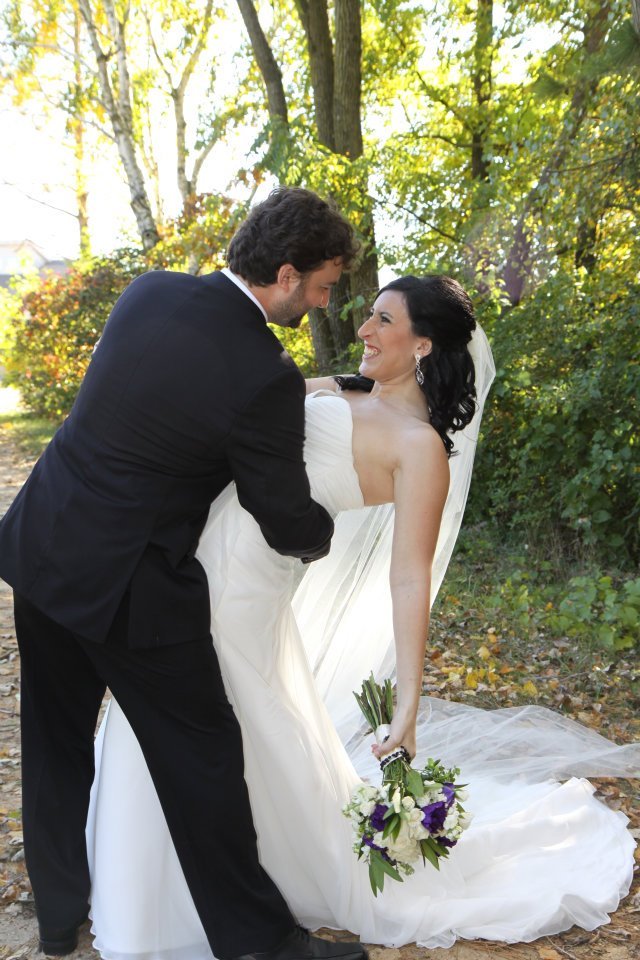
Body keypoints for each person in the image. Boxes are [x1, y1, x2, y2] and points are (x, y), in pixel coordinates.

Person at [86, 274, 638, 956]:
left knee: (196, 729)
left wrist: (408, 702)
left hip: (238, 596)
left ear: (425, 344)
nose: (365, 331)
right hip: (184, 564)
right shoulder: (330, 390)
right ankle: (147, 877)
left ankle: (182, 898)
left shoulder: (419, 448)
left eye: (382, 320)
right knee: (183, 727)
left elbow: (409, 577)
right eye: (367, 317)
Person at [0, 186, 372, 960]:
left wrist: (313, 392)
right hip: (130, 588)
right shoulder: (264, 373)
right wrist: (334, 529)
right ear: (285, 272)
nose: (325, 303)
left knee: (54, 743)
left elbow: (171, 396)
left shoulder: (149, 293)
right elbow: (283, 513)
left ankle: (61, 918)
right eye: (325, 286)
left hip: (44, 543)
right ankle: (261, 944)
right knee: (202, 756)